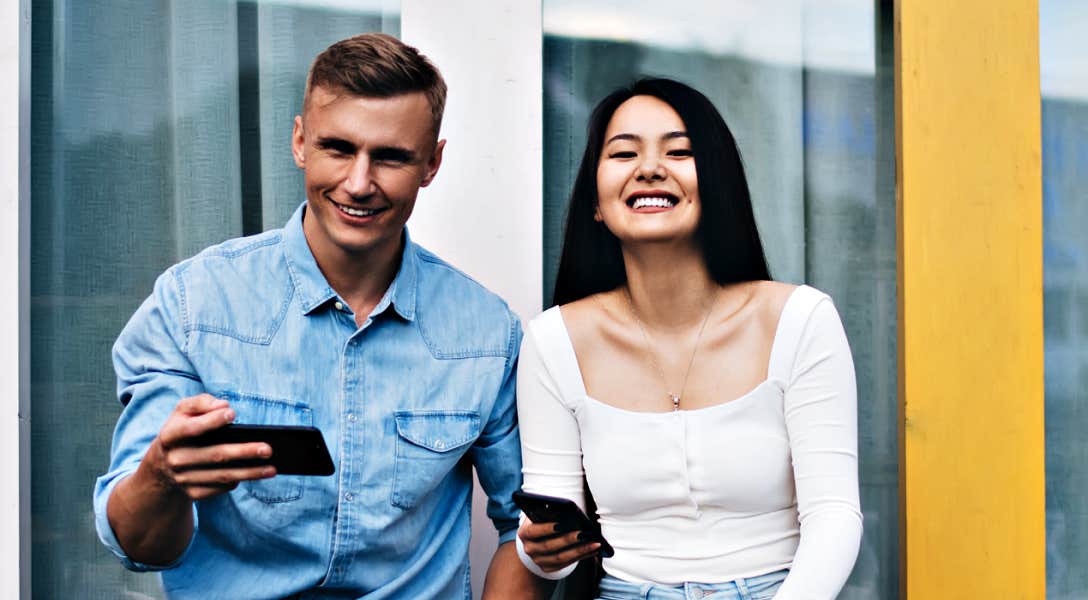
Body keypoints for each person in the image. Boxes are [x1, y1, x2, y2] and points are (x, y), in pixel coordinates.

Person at [93, 33, 541, 599]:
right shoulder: (195, 305)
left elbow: (523, 530)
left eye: (391, 156)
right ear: (300, 141)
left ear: (431, 163)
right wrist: (161, 478)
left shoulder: (486, 335)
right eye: (338, 148)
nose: (359, 182)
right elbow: (138, 545)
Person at [514, 78, 862, 600]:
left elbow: (835, 516)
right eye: (623, 153)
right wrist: (538, 553)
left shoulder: (800, 319)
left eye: (679, 151)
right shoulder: (553, 340)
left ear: (716, 184)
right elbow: (552, 543)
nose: (649, 168)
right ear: (595, 200)